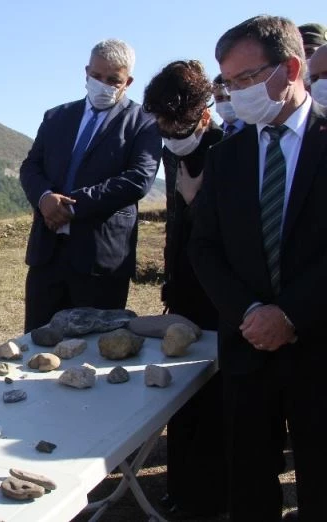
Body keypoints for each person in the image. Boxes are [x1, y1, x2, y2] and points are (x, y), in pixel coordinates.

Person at [190, 15, 327, 521]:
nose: (236, 93)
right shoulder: (227, 159)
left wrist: (289, 314)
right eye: (227, 82)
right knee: (248, 488)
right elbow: (204, 248)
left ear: (291, 68)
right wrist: (248, 311)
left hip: (318, 349)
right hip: (247, 352)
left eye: (246, 79)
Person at [19, 39, 162, 332]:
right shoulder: (56, 117)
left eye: (113, 80)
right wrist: (45, 198)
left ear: (128, 81)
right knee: (37, 344)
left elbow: (139, 178)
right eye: (97, 76)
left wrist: (74, 205)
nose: (103, 84)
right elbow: (31, 166)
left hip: (101, 261)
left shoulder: (143, 122)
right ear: (86, 72)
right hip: (48, 255)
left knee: (94, 357)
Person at [141, 60, 227, 517]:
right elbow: (174, 226)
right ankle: (179, 487)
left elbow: (229, 234)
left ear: (204, 115)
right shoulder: (174, 151)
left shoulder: (226, 151)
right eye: (163, 126)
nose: (172, 135)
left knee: (213, 398)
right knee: (180, 397)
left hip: (218, 297)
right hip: (183, 291)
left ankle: (207, 496)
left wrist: (196, 202)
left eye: (180, 126)